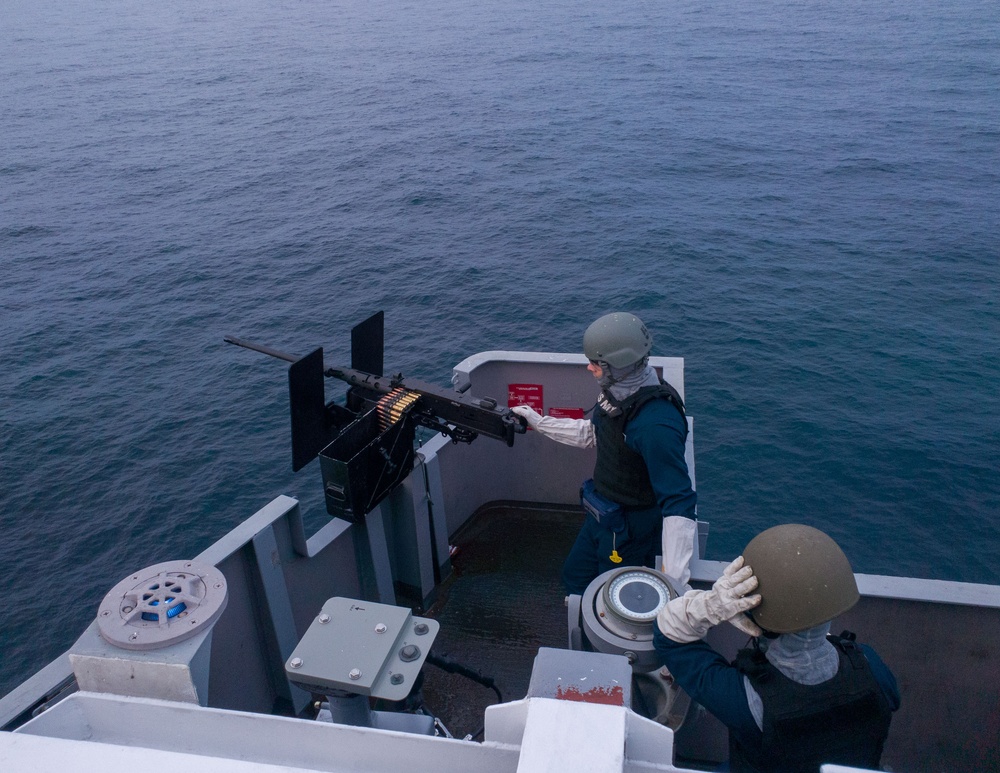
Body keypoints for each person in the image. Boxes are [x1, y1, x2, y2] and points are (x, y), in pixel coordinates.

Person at [653, 524, 900, 773]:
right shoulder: (870, 665)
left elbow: (667, 636)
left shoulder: (745, 701)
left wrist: (712, 606)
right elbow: (892, 700)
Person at [511, 312, 697, 595]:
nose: (589, 368)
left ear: (619, 365)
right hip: (602, 516)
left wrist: (673, 586)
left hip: (628, 532)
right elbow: (594, 434)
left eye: (597, 364)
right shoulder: (620, 395)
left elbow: (678, 502)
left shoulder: (655, 425)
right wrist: (540, 422)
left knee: (612, 596)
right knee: (575, 578)